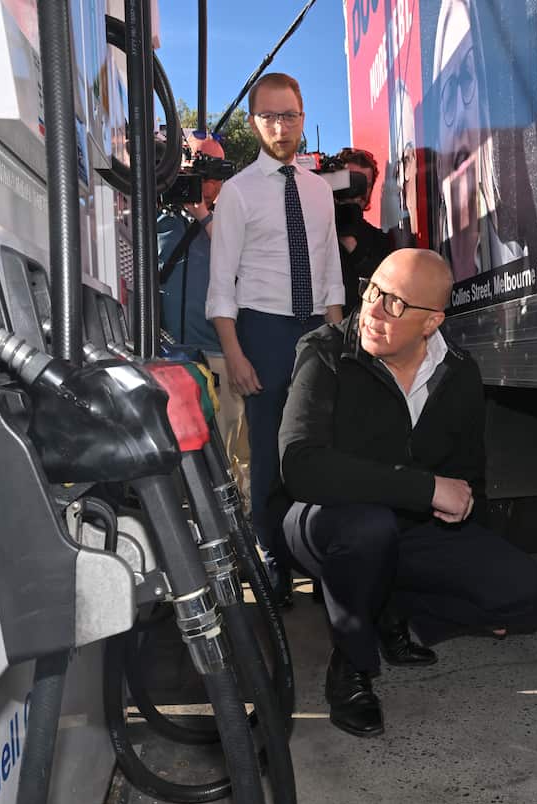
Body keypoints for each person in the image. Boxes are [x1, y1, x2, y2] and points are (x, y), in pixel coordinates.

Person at [277, 248, 537, 738]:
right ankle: (352, 663)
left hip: (410, 532)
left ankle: (391, 613)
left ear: (432, 323)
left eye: (396, 304)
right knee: (368, 528)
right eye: (373, 290)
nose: (374, 311)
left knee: (527, 594)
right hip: (327, 523)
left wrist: (478, 571)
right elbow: (300, 466)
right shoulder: (324, 352)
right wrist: (423, 488)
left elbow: (468, 480)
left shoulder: (459, 372)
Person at [207, 72, 345, 594]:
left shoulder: (318, 192)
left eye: (289, 115)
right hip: (261, 330)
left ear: (303, 120)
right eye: (268, 115)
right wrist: (235, 353)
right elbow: (221, 285)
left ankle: (313, 547)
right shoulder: (238, 194)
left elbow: (331, 268)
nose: (280, 125)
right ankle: (271, 559)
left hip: (317, 331)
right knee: (266, 450)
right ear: (253, 121)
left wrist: (335, 339)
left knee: (316, 447)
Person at [157, 133, 249, 497]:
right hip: (168, 358)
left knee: (232, 456)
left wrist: (204, 216)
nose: (206, 183)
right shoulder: (156, 216)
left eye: (214, 175)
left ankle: (242, 534)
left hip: (220, 355)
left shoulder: (233, 218)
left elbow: (246, 267)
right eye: (197, 171)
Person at [334, 147, 392, 314]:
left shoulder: (379, 239)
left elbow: (384, 286)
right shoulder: (315, 229)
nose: (356, 190)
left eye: (364, 185)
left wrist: (352, 246)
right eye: (350, 181)